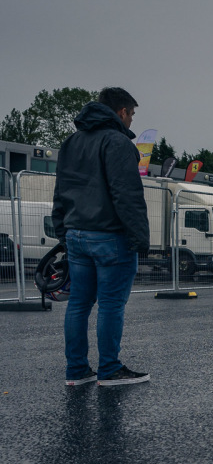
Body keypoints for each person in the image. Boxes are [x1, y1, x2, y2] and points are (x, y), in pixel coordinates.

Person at [52, 87, 150, 386]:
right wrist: (140, 237)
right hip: (109, 236)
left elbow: (62, 190)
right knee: (110, 304)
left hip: (76, 234)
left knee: (79, 303)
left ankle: (77, 371)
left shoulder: (72, 142)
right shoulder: (117, 142)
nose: (131, 121)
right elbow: (126, 194)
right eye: (131, 114)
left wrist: (62, 231)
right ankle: (109, 369)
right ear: (121, 112)